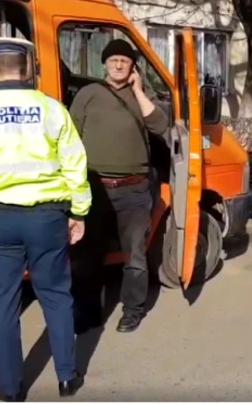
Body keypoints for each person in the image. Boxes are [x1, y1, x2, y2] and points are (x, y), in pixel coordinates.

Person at [0, 36, 91, 401]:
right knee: (56, 295)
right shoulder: (52, 108)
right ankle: (67, 377)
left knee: (3, 303)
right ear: (26, 67)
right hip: (46, 216)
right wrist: (79, 212)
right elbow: (76, 162)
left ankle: (9, 388)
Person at [68, 38, 169, 334]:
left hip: (133, 190)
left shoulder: (141, 96)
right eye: (113, 60)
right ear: (105, 64)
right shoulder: (88, 94)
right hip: (94, 189)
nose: (118, 65)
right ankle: (87, 314)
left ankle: (132, 311)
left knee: (135, 255)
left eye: (124, 61)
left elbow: (160, 125)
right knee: (87, 255)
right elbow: (70, 136)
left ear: (132, 66)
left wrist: (138, 90)